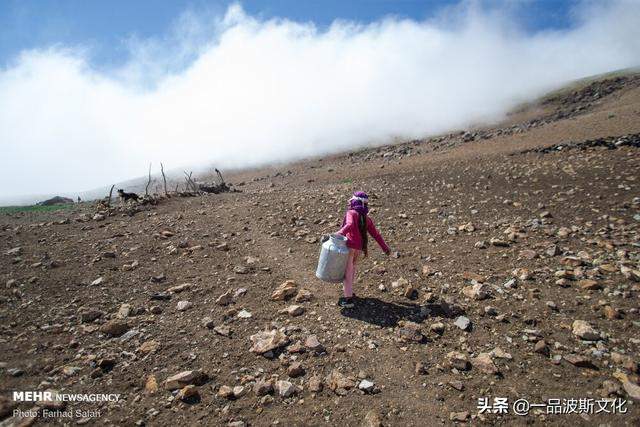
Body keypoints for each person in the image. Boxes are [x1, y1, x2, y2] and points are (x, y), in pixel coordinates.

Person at [336, 191, 390, 307]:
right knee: (352, 270)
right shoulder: (366, 219)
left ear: (354, 202)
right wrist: (385, 248)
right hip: (359, 248)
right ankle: (349, 292)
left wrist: (338, 233)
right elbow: (376, 234)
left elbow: (349, 224)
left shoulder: (351, 213)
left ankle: (348, 299)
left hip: (350, 246)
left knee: (347, 273)